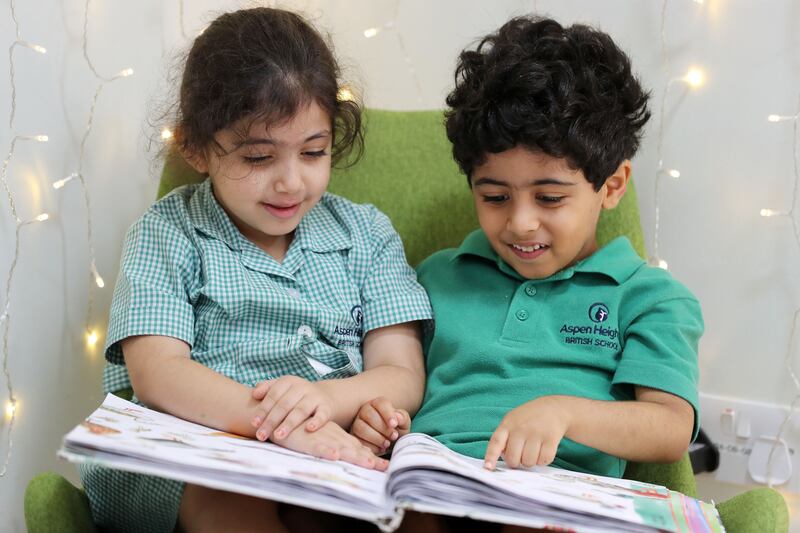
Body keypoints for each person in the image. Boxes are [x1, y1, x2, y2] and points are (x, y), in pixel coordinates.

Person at [79, 7, 431, 533]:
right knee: (230, 504)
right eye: (259, 159)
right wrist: (280, 426)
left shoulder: (367, 234)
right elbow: (158, 374)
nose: (290, 182)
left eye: (313, 152)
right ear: (197, 147)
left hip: (329, 446)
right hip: (198, 447)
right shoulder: (168, 231)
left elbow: (401, 374)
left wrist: (329, 403)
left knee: (405, 508)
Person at [351, 16, 703, 532]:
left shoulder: (650, 297)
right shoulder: (436, 276)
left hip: (549, 500)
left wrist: (565, 413)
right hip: (427, 488)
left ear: (611, 185)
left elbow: (669, 427)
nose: (519, 222)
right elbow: (398, 381)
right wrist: (377, 418)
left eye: (550, 197)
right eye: (494, 196)